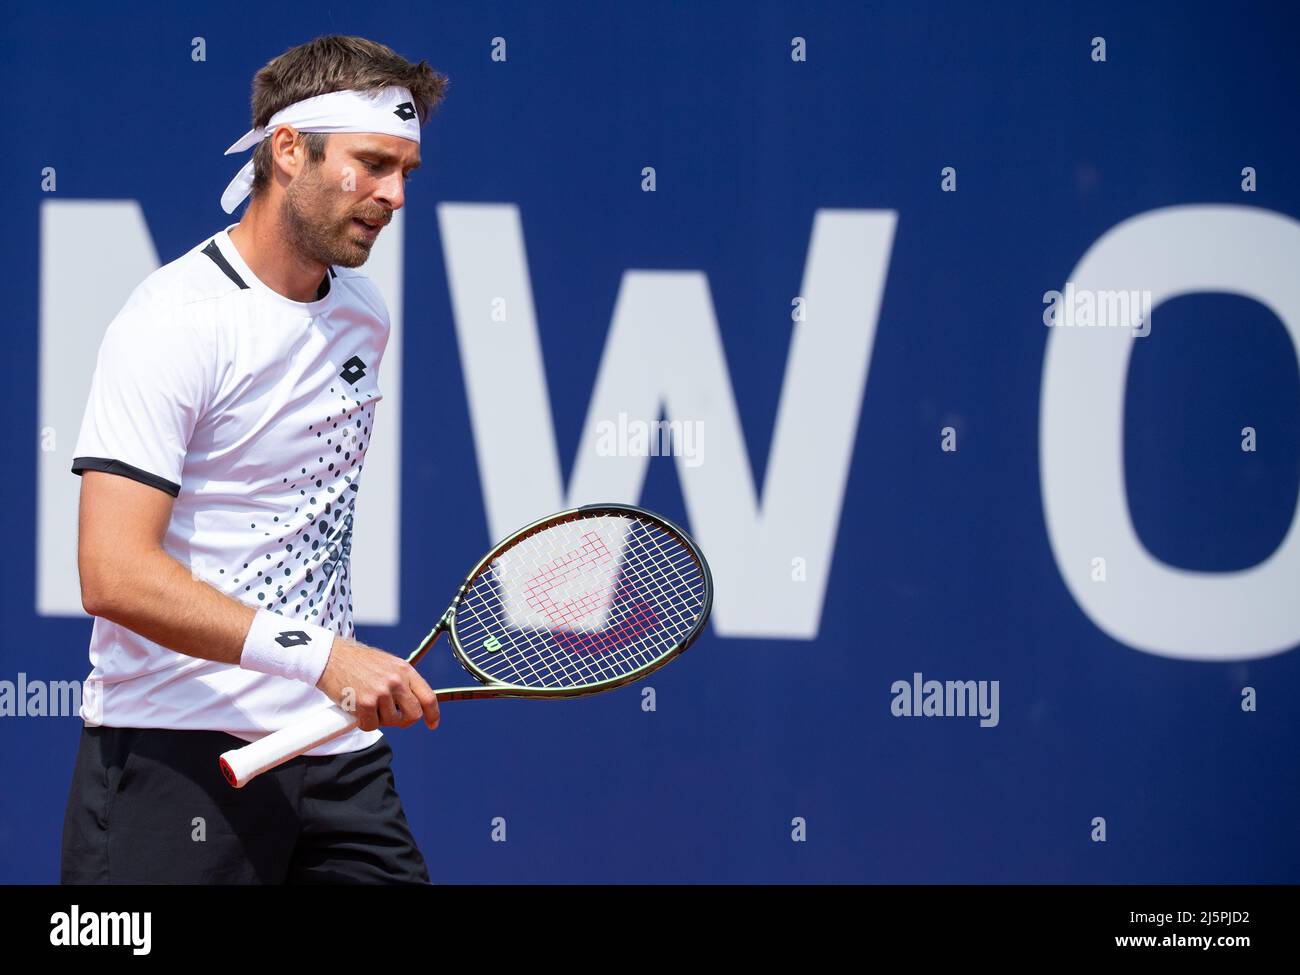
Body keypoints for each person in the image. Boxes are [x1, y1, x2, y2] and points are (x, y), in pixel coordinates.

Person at [60, 35, 448, 884]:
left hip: (333, 749)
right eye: (373, 162)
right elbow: (112, 572)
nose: (394, 194)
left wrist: (324, 674)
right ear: (286, 149)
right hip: (174, 752)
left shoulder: (363, 313)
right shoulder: (172, 320)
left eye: (407, 171)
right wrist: (323, 655)